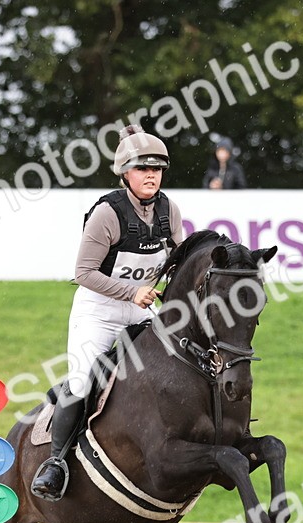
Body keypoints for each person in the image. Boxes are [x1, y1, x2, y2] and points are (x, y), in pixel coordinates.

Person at [31, 125, 185, 501]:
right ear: (125, 173)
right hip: (98, 311)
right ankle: (56, 463)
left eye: (157, 169)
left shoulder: (169, 211)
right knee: (81, 383)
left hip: (142, 309)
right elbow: (83, 273)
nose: (151, 175)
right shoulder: (107, 213)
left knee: (177, 365)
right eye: (142, 168)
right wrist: (133, 292)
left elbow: (178, 260)